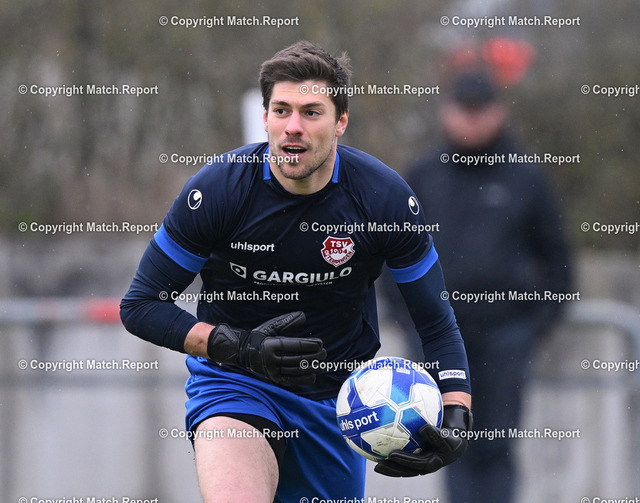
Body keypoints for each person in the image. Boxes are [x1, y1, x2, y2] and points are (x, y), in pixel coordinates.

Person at [120, 41, 472, 503]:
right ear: (265, 117)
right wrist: (237, 346)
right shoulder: (219, 191)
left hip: (337, 404)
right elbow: (141, 306)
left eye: (311, 112)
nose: (293, 127)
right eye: (281, 110)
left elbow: (436, 323)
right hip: (235, 384)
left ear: (341, 121)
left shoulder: (383, 200)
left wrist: (457, 414)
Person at [398, 69, 571, 503]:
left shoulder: (526, 176)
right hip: (440, 336)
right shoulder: (423, 174)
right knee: (450, 441)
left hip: (506, 335)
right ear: (447, 111)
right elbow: (393, 253)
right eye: (464, 109)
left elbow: (557, 256)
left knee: (496, 442)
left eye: (481, 110)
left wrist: (538, 324)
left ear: (499, 112)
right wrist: (411, 322)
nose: (472, 119)